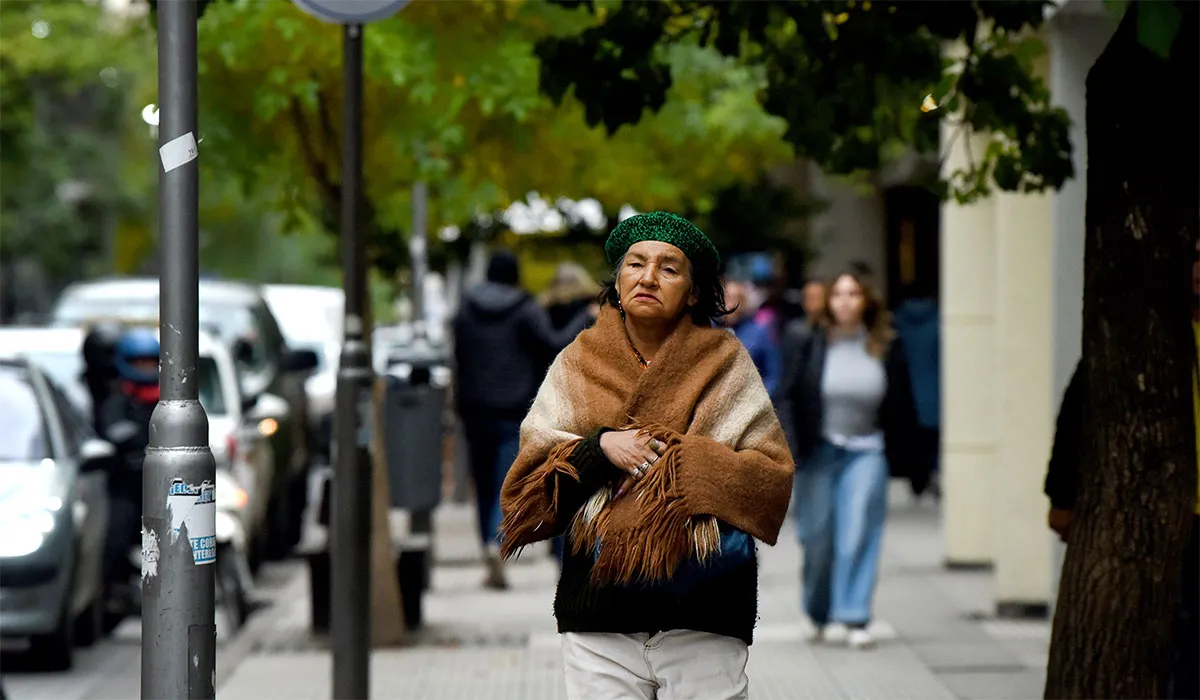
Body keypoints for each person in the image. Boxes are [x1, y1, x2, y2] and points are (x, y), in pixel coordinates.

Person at [497, 212, 793, 700]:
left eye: (669, 268)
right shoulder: (578, 361)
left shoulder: (726, 362)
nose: (648, 277)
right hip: (599, 614)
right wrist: (599, 448)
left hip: (704, 609)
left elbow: (771, 479)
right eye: (635, 264)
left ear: (694, 292)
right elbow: (528, 480)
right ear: (618, 282)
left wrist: (682, 461)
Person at [776, 268, 918, 650]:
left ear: (866, 300)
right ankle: (818, 610)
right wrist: (789, 448)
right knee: (817, 537)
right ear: (827, 301)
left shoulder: (885, 343)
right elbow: (785, 394)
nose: (844, 301)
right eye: (837, 294)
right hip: (816, 450)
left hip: (867, 450)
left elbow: (902, 404)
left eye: (853, 293)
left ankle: (854, 614)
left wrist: (910, 460)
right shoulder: (805, 338)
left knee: (857, 533)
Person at [453, 250, 594, 589]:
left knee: (484, 483)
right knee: (506, 480)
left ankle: (486, 545)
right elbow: (554, 343)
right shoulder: (525, 308)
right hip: (514, 406)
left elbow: (458, 354)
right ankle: (494, 540)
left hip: (473, 407)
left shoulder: (465, 309)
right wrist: (585, 318)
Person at [98, 327, 160, 608]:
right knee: (116, 533)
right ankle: (114, 589)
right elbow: (111, 431)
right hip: (129, 485)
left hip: (163, 487)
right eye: (139, 362)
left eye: (150, 361)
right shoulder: (118, 399)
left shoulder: (169, 400)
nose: (145, 368)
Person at [892, 283, 941, 498]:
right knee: (932, 441)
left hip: (906, 392)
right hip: (933, 389)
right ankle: (932, 475)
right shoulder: (939, 321)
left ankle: (916, 479)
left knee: (912, 439)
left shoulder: (897, 321)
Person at [724, 280, 783, 396]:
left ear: (744, 303)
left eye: (736, 300)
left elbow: (773, 375)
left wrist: (759, 401)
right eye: (726, 299)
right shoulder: (711, 329)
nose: (729, 306)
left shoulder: (759, 332)